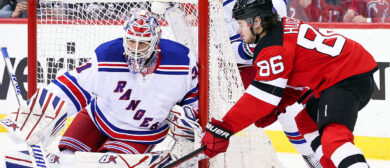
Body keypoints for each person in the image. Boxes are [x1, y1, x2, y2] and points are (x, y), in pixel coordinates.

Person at [0, 9, 200, 166]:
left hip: (140, 132)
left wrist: (188, 119)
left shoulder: (181, 61)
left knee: (106, 165)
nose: (135, 49)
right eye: (131, 41)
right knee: (68, 158)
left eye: (143, 43)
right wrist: (36, 115)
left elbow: (195, 96)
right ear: (124, 37)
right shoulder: (107, 56)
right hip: (97, 118)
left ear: (156, 40)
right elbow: (71, 86)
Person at [201, 0, 377, 168]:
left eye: (240, 24)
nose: (239, 31)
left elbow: (260, 98)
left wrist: (223, 128)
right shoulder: (281, 28)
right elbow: (293, 81)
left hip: (346, 77)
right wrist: (280, 105)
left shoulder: (272, 47)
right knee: (306, 122)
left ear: (256, 22)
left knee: (334, 138)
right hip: (347, 72)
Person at [223, 0, 321, 167]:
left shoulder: (276, 1)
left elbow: (280, 36)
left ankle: (313, 157)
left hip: (272, 61)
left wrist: (267, 47)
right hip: (237, 71)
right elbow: (227, 49)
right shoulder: (223, 5)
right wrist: (259, 47)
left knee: (294, 113)